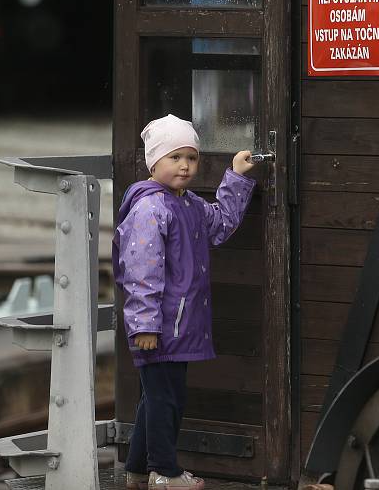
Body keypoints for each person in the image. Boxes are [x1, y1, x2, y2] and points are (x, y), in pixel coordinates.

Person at [113, 114, 257, 490]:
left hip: (177, 325)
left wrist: (237, 175)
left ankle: (137, 470)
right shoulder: (150, 209)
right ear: (154, 162)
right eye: (175, 157)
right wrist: (144, 325)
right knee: (166, 401)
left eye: (191, 158)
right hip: (158, 327)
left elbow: (221, 224)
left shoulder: (189, 204)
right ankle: (164, 471)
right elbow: (141, 272)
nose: (185, 166)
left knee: (157, 398)